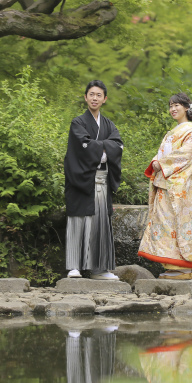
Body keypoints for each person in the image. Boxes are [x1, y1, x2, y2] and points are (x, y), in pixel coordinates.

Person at [138, 93, 192, 280]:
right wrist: (157, 161)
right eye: (170, 106)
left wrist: (161, 164)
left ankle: (184, 268)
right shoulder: (172, 132)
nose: (173, 109)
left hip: (177, 186)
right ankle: (173, 267)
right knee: (166, 225)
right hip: (166, 183)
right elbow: (162, 153)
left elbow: (186, 155)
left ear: (187, 107)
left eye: (177, 105)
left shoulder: (190, 132)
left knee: (177, 224)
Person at [64, 80, 123, 280]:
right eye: (91, 94)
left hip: (102, 181)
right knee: (79, 221)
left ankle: (99, 269)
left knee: (100, 224)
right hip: (81, 179)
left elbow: (118, 145)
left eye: (99, 95)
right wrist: (104, 149)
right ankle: (74, 266)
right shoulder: (78, 123)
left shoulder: (109, 124)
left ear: (105, 99)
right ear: (85, 97)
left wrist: (98, 147)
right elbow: (82, 146)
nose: (95, 98)